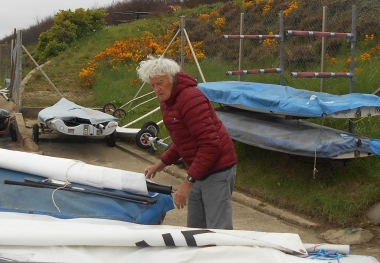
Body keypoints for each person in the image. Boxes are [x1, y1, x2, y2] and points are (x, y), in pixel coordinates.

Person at [136, 55, 237, 229]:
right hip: (200, 169)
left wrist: (187, 182)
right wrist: (159, 165)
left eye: (160, 82)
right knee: (195, 227)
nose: (156, 89)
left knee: (218, 230)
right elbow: (183, 141)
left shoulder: (191, 99)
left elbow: (210, 144)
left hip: (217, 168)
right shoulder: (168, 101)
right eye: (153, 85)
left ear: (172, 78)